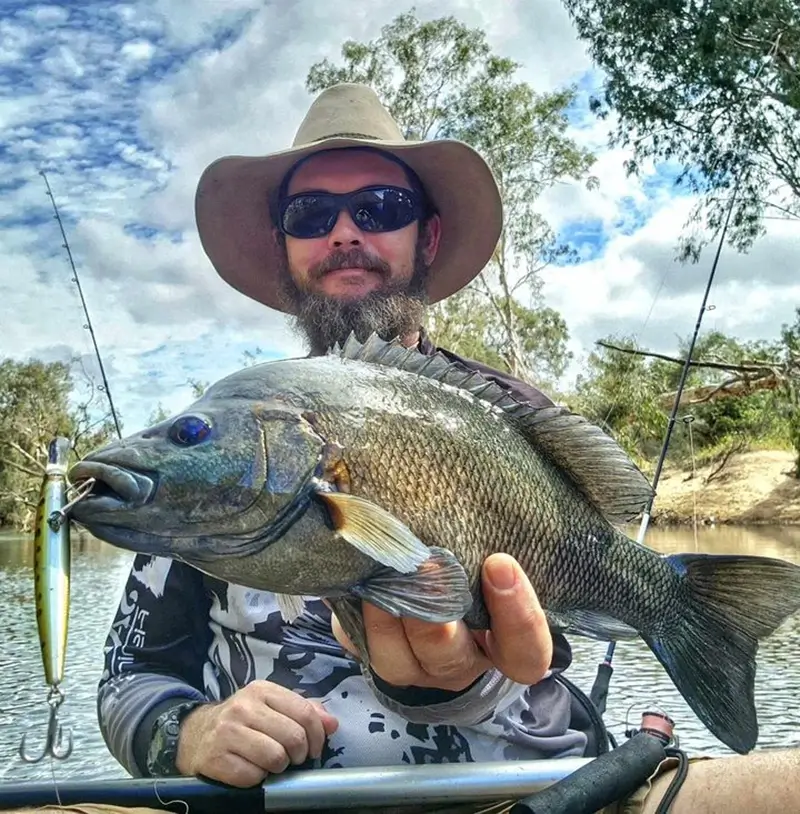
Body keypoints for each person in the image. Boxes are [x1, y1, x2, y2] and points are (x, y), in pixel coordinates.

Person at [14, 84, 800, 814]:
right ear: (285, 248)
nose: (345, 232)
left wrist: (460, 687)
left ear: (426, 235)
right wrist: (189, 735)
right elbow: (127, 678)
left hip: (511, 790)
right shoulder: (222, 438)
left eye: (378, 206)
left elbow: (550, 655)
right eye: (311, 214)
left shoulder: (518, 419)